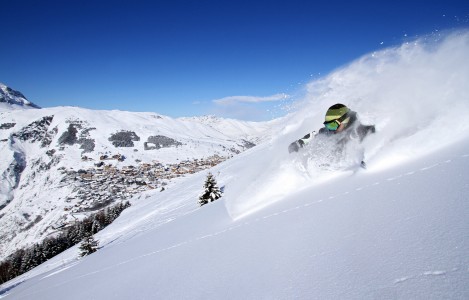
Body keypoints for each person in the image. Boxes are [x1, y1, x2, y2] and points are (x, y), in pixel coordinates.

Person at [288, 103, 375, 153]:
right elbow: (314, 135)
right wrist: (298, 143)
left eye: (332, 125)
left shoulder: (362, 131)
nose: (330, 129)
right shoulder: (329, 132)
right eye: (328, 125)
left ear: (345, 121)